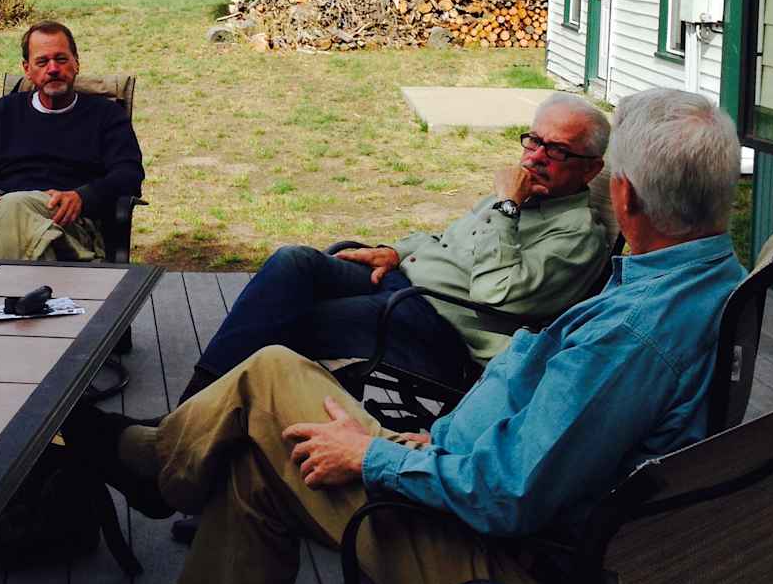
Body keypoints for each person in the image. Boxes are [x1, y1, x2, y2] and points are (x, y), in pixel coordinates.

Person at [66, 87, 745, 584]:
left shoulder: (630, 336)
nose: (536, 155)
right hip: (493, 490)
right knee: (260, 457)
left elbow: (508, 493)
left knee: (271, 372)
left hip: (510, 573)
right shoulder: (705, 283)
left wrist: (375, 454)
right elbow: (543, 451)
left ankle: (157, 460)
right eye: (531, 141)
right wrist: (428, 442)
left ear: (622, 193)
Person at [174, 92, 614, 406]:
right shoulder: (520, 198)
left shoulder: (577, 237)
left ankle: (196, 448)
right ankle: (191, 417)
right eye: (533, 140)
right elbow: (445, 240)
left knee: (281, 327)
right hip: (402, 284)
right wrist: (396, 251)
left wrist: (506, 207)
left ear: (590, 169)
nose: (535, 157)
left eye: (555, 150)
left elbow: (495, 293)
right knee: (295, 264)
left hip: (441, 330)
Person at [0, 21, 144, 262]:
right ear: (27, 69)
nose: (53, 69)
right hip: (5, 221)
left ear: (76, 63)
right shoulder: (2, 113)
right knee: (16, 213)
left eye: (61, 59)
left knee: (14, 208)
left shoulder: (105, 115)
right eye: (42, 62)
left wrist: (83, 196)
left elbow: (129, 174)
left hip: (73, 228)